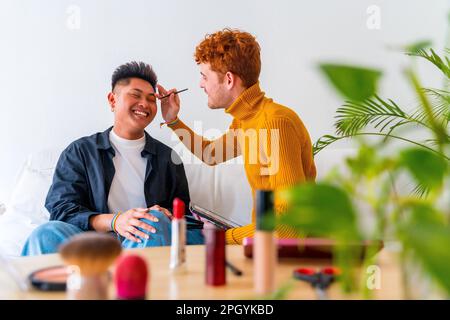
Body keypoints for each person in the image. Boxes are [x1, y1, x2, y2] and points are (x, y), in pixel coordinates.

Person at [22, 61, 203, 256]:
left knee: (155, 220)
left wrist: (166, 216)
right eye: (135, 95)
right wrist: (116, 221)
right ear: (112, 100)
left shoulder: (167, 157)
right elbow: (61, 210)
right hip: (91, 245)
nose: (144, 104)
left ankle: (126, 278)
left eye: (151, 99)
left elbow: (185, 216)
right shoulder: (80, 151)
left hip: (145, 243)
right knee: (45, 234)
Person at [157, 28, 317, 245]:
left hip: (288, 253)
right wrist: (173, 121)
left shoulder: (274, 123)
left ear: (229, 79)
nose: (200, 84)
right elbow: (209, 154)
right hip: (262, 246)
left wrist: (225, 238)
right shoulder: (246, 120)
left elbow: (289, 226)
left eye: (204, 76)